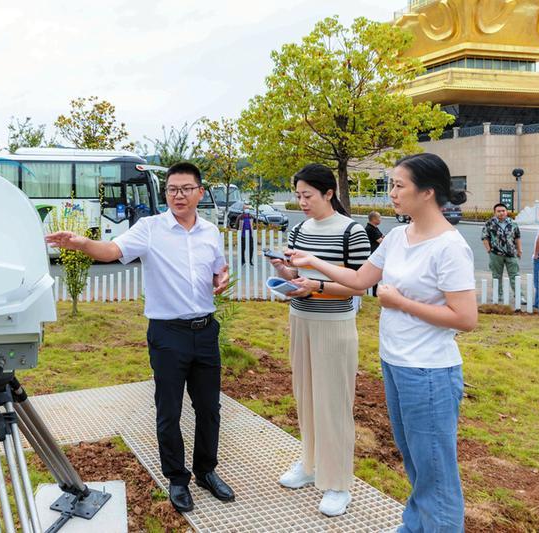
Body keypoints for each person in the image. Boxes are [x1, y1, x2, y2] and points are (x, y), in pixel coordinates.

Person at [287, 153, 477, 532]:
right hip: (395, 362)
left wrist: (401, 303)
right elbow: (360, 280)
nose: (391, 193)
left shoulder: (450, 246)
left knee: (435, 469)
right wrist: (312, 262)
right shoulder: (397, 236)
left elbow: (465, 318)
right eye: (391, 184)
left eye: (398, 185)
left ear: (427, 192)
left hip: (429, 371)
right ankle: (414, 526)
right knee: (414, 458)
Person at [46, 162, 234, 513]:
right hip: (168, 334)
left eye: (185, 189)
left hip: (206, 331)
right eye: (172, 189)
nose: (178, 195)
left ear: (200, 192)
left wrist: (220, 279)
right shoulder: (149, 228)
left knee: (210, 408)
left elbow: (217, 271)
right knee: (169, 410)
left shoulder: (210, 231)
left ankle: (206, 471)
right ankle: (177, 479)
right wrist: (82, 243)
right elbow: (112, 251)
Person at [268, 163, 370, 518]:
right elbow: (298, 274)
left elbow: (359, 285)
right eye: (298, 195)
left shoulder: (352, 231)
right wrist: (283, 271)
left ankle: (338, 482)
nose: (302, 202)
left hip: (334, 324)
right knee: (306, 395)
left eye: (307, 195)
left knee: (334, 403)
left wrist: (317, 285)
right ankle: (310, 464)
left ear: (329, 193)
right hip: (300, 318)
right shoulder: (299, 229)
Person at [481, 203, 522, 302]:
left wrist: (519, 250)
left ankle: (519, 296)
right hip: (496, 254)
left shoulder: (513, 223)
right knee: (496, 276)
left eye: (503, 211)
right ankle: (498, 295)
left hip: (511, 253)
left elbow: (517, 237)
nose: (501, 213)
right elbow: (484, 237)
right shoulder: (489, 223)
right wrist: (489, 250)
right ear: (495, 212)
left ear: (506, 212)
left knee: (515, 275)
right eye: (498, 211)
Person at [365, 211, 384, 297]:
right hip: (372, 254)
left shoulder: (375, 228)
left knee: (375, 274)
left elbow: (382, 236)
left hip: (375, 253)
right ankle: (372, 293)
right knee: (373, 274)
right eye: (379, 218)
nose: (380, 219)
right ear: (373, 219)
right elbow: (381, 241)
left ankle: (374, 292)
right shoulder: (370, 229)